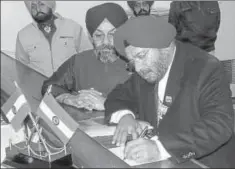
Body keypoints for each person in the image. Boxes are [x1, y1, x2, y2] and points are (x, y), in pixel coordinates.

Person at [104, 16, 235, 168]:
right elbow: (118, 95)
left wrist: (160, 148)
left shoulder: (206, 68)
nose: (138, 68)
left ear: (165, 46)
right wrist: (125, 116)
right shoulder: (147, 69)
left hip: (202, 162)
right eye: (132, 62)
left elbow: (219, 125)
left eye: (141, 56)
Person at [41, 2, 130, 112]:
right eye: (99, 35)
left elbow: (152, 104)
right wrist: (70, 99)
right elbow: (48, 87)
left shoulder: (138, 63)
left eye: (112, 34)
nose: (106, 41)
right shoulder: (78, 61)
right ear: (90, 37)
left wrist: (108, 104)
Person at [16, 1, 92, 77]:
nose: (38, 9)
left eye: (41, 4)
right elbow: (21, 70)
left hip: (70, 87)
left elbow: (88, 57)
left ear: (50, 4)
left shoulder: (72, 27)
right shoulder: (23, 35)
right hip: (39, 87)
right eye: (33, 6)